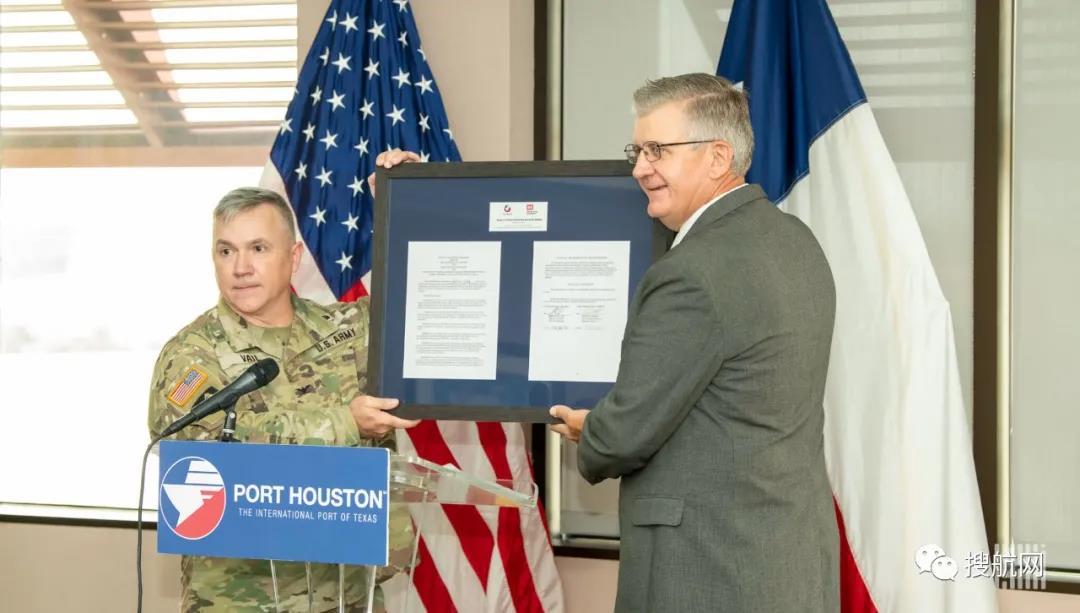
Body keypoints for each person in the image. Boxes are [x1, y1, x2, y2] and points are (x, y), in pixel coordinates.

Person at [548, 73, 840, 612]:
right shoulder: (797, 242)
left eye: (658, 149)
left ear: (717, 156)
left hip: (707, 572)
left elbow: (623, 435)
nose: (639, 168)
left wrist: (592, 429)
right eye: (637, 149)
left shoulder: (692, 272)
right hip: (788, 560)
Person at [148, 186, 418, 612]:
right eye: (225, 251)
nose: (240, 267)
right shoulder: (192, 354)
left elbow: (430, 297)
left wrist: (401, 201)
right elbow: (196, 452)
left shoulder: (350, 330)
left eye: (258, 248)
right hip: (242, 600)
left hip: (347, 595)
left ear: (292, 258)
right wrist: (345, 423)